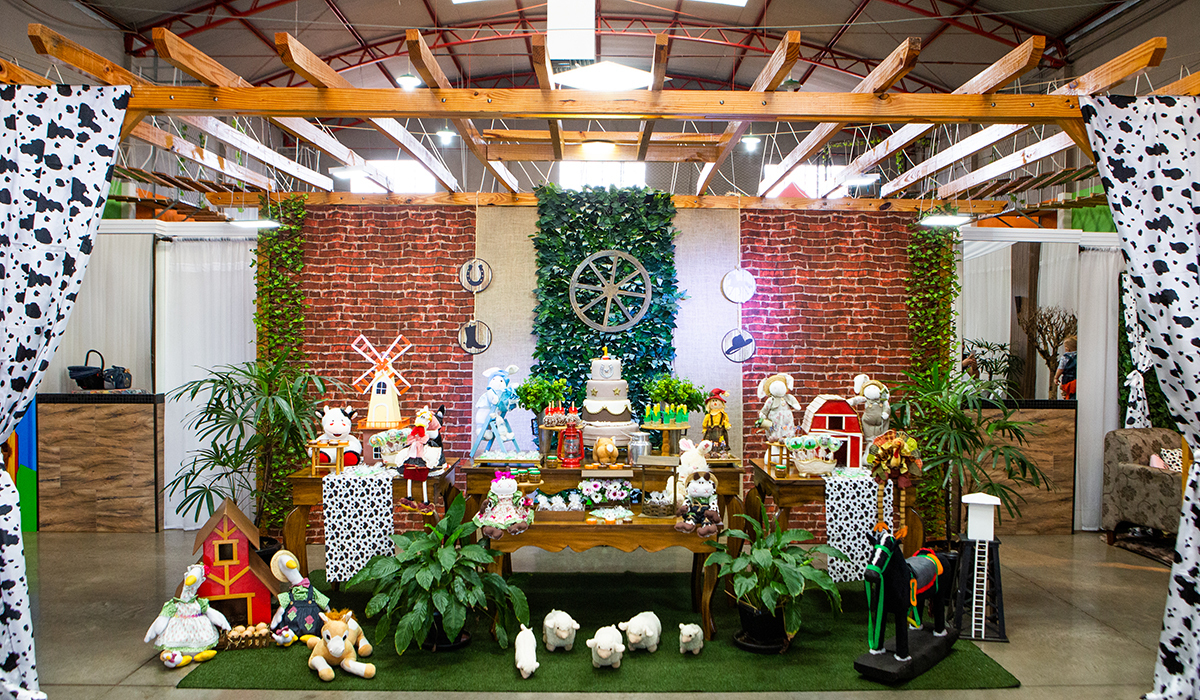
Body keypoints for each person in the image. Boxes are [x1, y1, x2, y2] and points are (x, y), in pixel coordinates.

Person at [1053, 336, 1078, 400]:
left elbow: (1060, 368)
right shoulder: (1079, 356)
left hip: (1067, 379)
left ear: (1067, 349)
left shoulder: (1064, 358)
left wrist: (1056, 377)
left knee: (1067, 393)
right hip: (1076, 378)